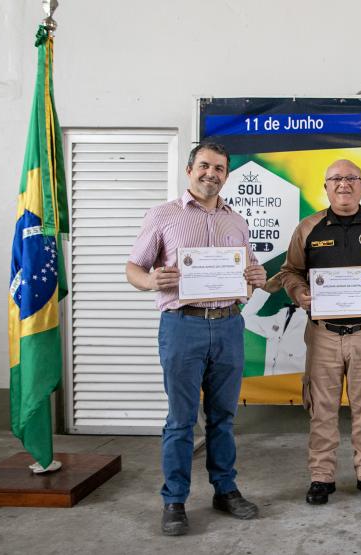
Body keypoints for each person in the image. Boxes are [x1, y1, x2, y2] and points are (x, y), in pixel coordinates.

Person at [126, 142, 267, 536]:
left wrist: (255, 281)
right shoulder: (163, 215)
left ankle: (225, 490)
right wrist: (151, 280)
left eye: (219, 168)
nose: (211, 173)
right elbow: (133, 267)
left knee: (223, 417)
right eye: (204, 166)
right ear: (189, 170)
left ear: (226, 174)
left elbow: (249, 274)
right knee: (181, 420)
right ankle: (174, 499)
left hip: (227, 325)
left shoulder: (236, 221)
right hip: (181, 326)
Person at [279, 159, 361, 505]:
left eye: (351, 178)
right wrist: (299, 292)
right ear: (326, 187)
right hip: (323, 333)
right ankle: (322, 477)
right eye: (336, 178)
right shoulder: (308, 228)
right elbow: (290, 271)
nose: (343, 184)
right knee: (322, 409)